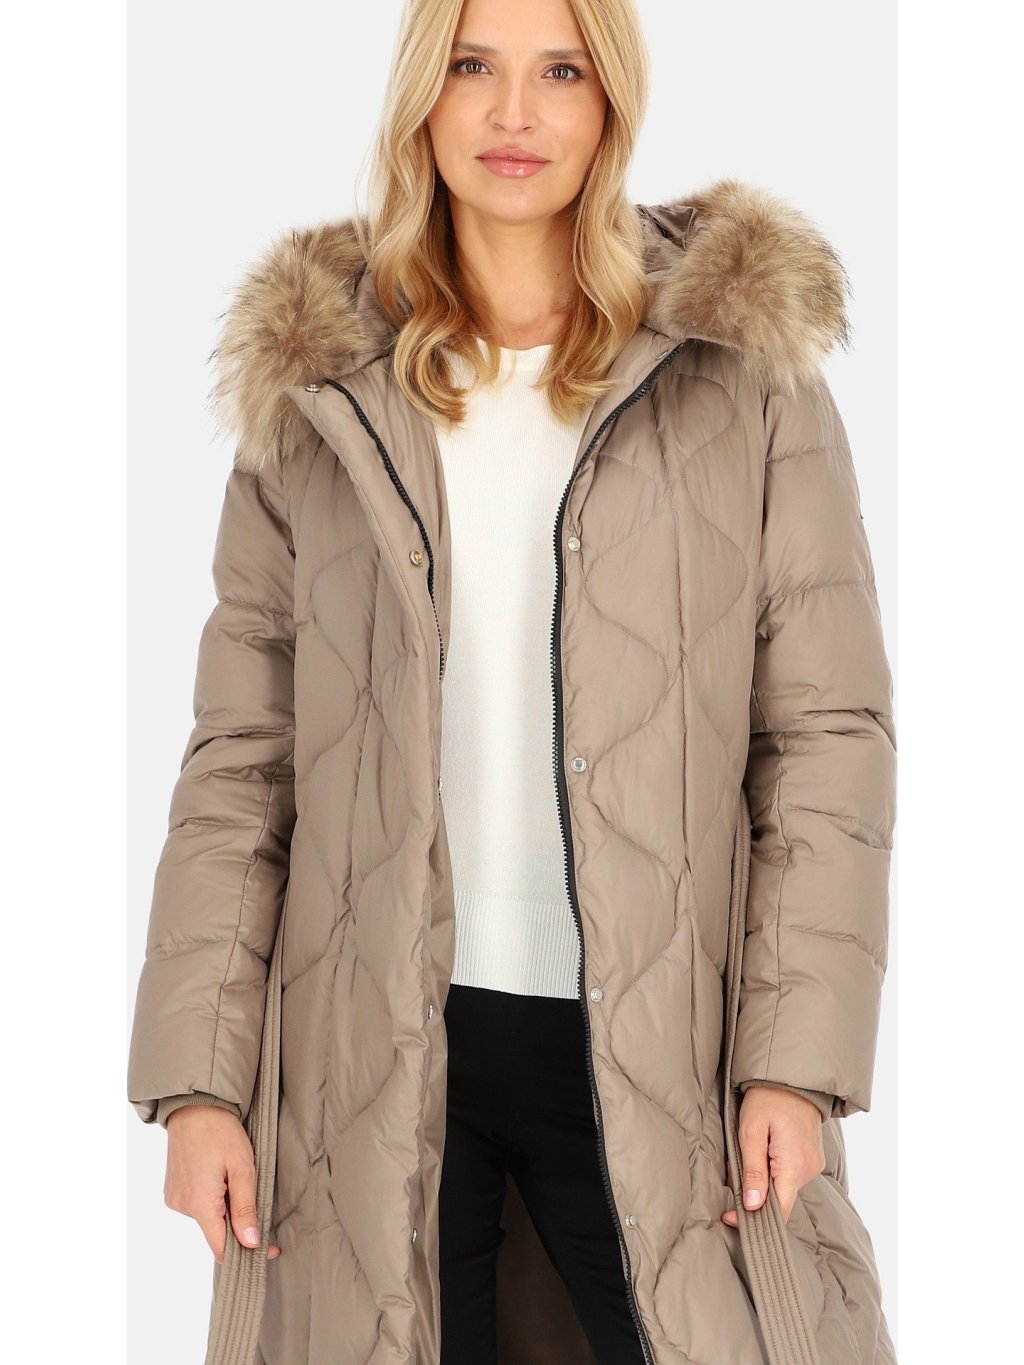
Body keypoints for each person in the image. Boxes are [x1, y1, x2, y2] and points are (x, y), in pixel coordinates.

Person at [127, 0, 897, 1361]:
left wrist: (796, 1059)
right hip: (381, 1058)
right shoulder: (322, 389)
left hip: (664, 1049)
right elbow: (244, 757)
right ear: (423, 96)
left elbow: (825, 737)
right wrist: (199, 1084)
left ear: (611, 102)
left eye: (561, 72)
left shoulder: (737, 374)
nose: (515, 114)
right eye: (473, 67)